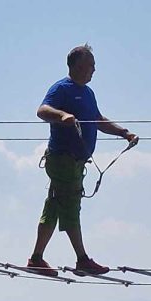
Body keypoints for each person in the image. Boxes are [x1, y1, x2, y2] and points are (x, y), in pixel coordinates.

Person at [25, 44, 138, 276]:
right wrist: (62, 115)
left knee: (55, 207)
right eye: (91, 66)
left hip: (75, 162)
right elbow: (42, 110)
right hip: (62, 159)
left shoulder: (88, 93)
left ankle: (36, 258)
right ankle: (82, 259)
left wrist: (123, 133)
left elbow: (97, 120)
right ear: (77, 66)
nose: (94, 70)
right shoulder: (62, 88)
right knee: (71, 206)